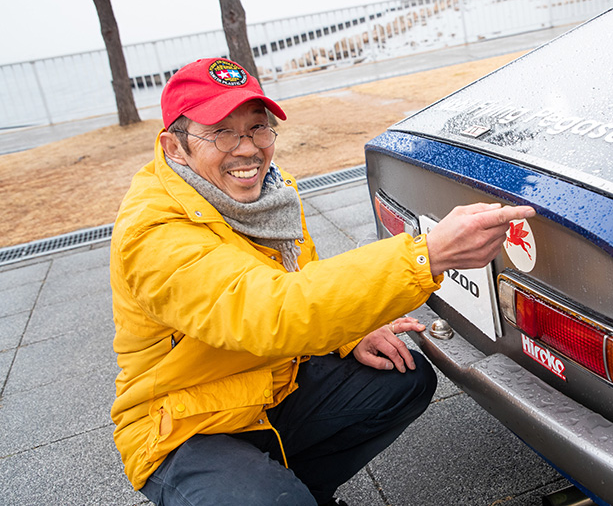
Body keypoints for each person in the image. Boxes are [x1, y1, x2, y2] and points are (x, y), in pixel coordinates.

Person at [109, 57, 536, 506]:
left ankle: (301, 491)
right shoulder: (153, 230)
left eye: (258, 127)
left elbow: (303, 281)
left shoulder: (270, 197)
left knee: (403, 380)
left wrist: (349, 335)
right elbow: (268, 311)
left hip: (268, 388)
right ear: (174, 147)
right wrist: (425, 255)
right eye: (221, 132)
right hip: (185, 425)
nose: (248, 149)